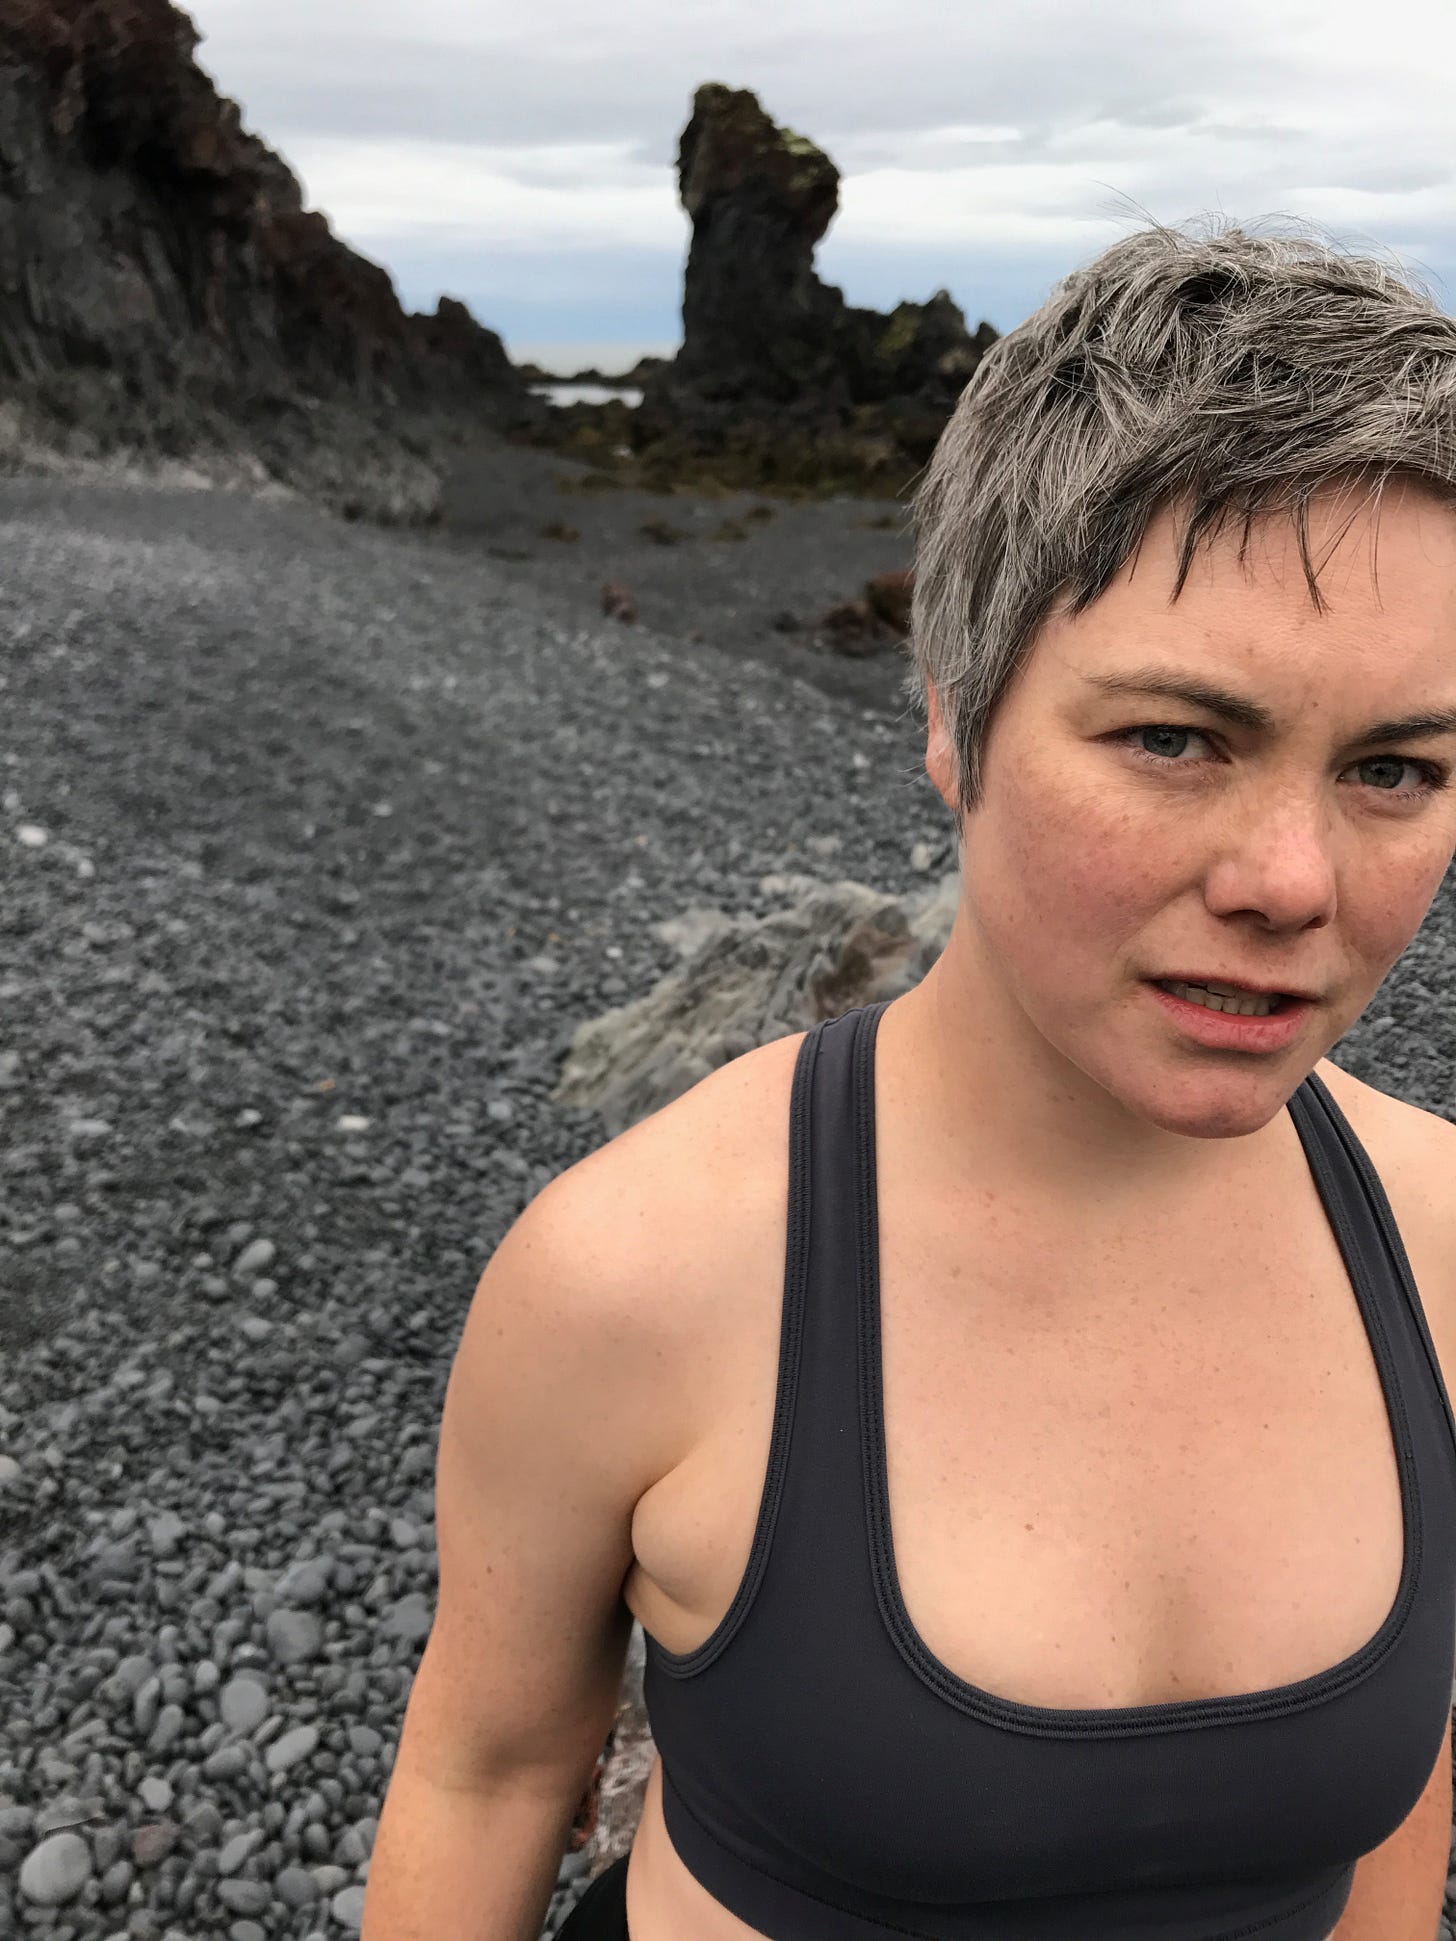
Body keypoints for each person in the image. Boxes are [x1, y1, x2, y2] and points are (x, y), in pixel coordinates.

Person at [361, 213, 1456, 1941]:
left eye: (1395, 767)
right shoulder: (632, 1276)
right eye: (1176, 738)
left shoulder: (1443, 1242)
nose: (1296, 881)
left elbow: (1403, 1804)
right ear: (952, 718)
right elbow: (486, 1773)